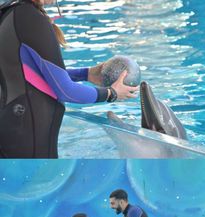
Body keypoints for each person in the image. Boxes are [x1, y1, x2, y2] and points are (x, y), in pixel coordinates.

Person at [0, 0, 139, 158]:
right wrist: (111, 93)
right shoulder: (30, 18)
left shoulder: (12, 12)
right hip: (28, 139)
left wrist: (85, 74)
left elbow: (32, 75)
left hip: (14, 131)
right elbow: (66, 91)